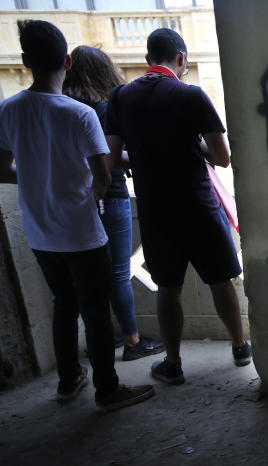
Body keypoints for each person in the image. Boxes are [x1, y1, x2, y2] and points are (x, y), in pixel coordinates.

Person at [0, 20, 154, 411]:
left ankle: (69, 380)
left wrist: (38, 178)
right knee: (96, 310)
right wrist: (86, 190)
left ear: (25, 61)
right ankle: (107, 389)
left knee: (63, 304)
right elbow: (102, 176)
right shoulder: (79, 114)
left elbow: (3, 169)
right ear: (67, 61)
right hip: (82, 231)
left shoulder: (8, 109)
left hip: (39, 232)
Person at [104, 28, 251, 386]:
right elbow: (222, 157)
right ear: (181, 59)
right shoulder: (191, 95)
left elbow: (111, 159)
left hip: (156, 211)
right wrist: (192, 148)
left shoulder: (121, 97)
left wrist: (141, 157)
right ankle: (239, 346)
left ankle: (172, 363)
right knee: (221, 281)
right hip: (199, 206)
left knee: (167, 288)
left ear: (148, 59)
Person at [63, 45, 165, 362]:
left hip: (73, 197)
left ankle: (104, 337)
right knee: (119, 272)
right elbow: (108, 160)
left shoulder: (64, 106)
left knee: (89, 274)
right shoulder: (104, 107)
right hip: (110, 194)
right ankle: (133, 339)